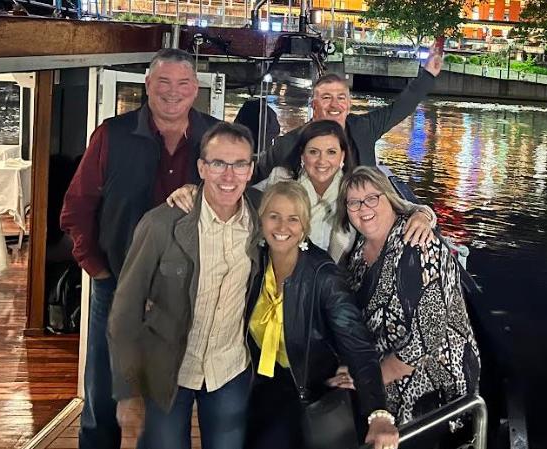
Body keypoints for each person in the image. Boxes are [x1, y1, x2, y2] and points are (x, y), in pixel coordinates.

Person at [60, 48, 219, 449]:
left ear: (195, 89)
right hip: (117, 284)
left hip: (187, 291)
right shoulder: (110, 135)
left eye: (183, 83)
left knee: (173, 394)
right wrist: (97, 268)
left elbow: (241, 199)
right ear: (148, 86)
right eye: (163, 82)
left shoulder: (215, 139)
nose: (172, 92)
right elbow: (77, 206)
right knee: (101, 394)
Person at [108, 122, 260, 449]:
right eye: (218, 163)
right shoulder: (162, 223)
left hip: (229, 368)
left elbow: (302, 211)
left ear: (251, 170)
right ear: (202, 167)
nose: (228, 175)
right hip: (169, 370)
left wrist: (399, 212)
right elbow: (125, 310)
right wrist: (127, 390)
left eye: (239, 165)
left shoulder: (262, 217)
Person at [245, 181, 399, 449]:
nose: (282, 228)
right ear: (262, 220)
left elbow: (360, 348)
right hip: (262, 389)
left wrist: (379, 414)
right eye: (274, 217)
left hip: (308, 395)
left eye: (293, 219)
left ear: (304, 226)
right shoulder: (255, 263)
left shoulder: (323, 275)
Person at [168, 120, 437, 263]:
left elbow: (407, 206)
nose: (322, 161)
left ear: (342, 157)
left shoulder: (353, 190)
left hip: (332, 290)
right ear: (302, 156)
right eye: (314, 152)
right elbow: (237, 193)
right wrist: (195, 190)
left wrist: (425, 217)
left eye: (331, 152)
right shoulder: (280, 180)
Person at [335, 166, 480, 425]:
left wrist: (368, 378)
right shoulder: (360, 249)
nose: (363, 208)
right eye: (354, 202)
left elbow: (425, 342)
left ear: (390, 199)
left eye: (372, 198)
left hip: (432, 387)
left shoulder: (420, 245)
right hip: (379, 370)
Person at [254, 47, 443, 181]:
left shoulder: (364, 128)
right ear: (314, 105)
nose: (335, 104)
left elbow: (401, 107)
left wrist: (428, 75)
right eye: (327, 97)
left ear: (349, 104)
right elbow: (257, 176)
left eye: (341, 98)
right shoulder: (287, 144)